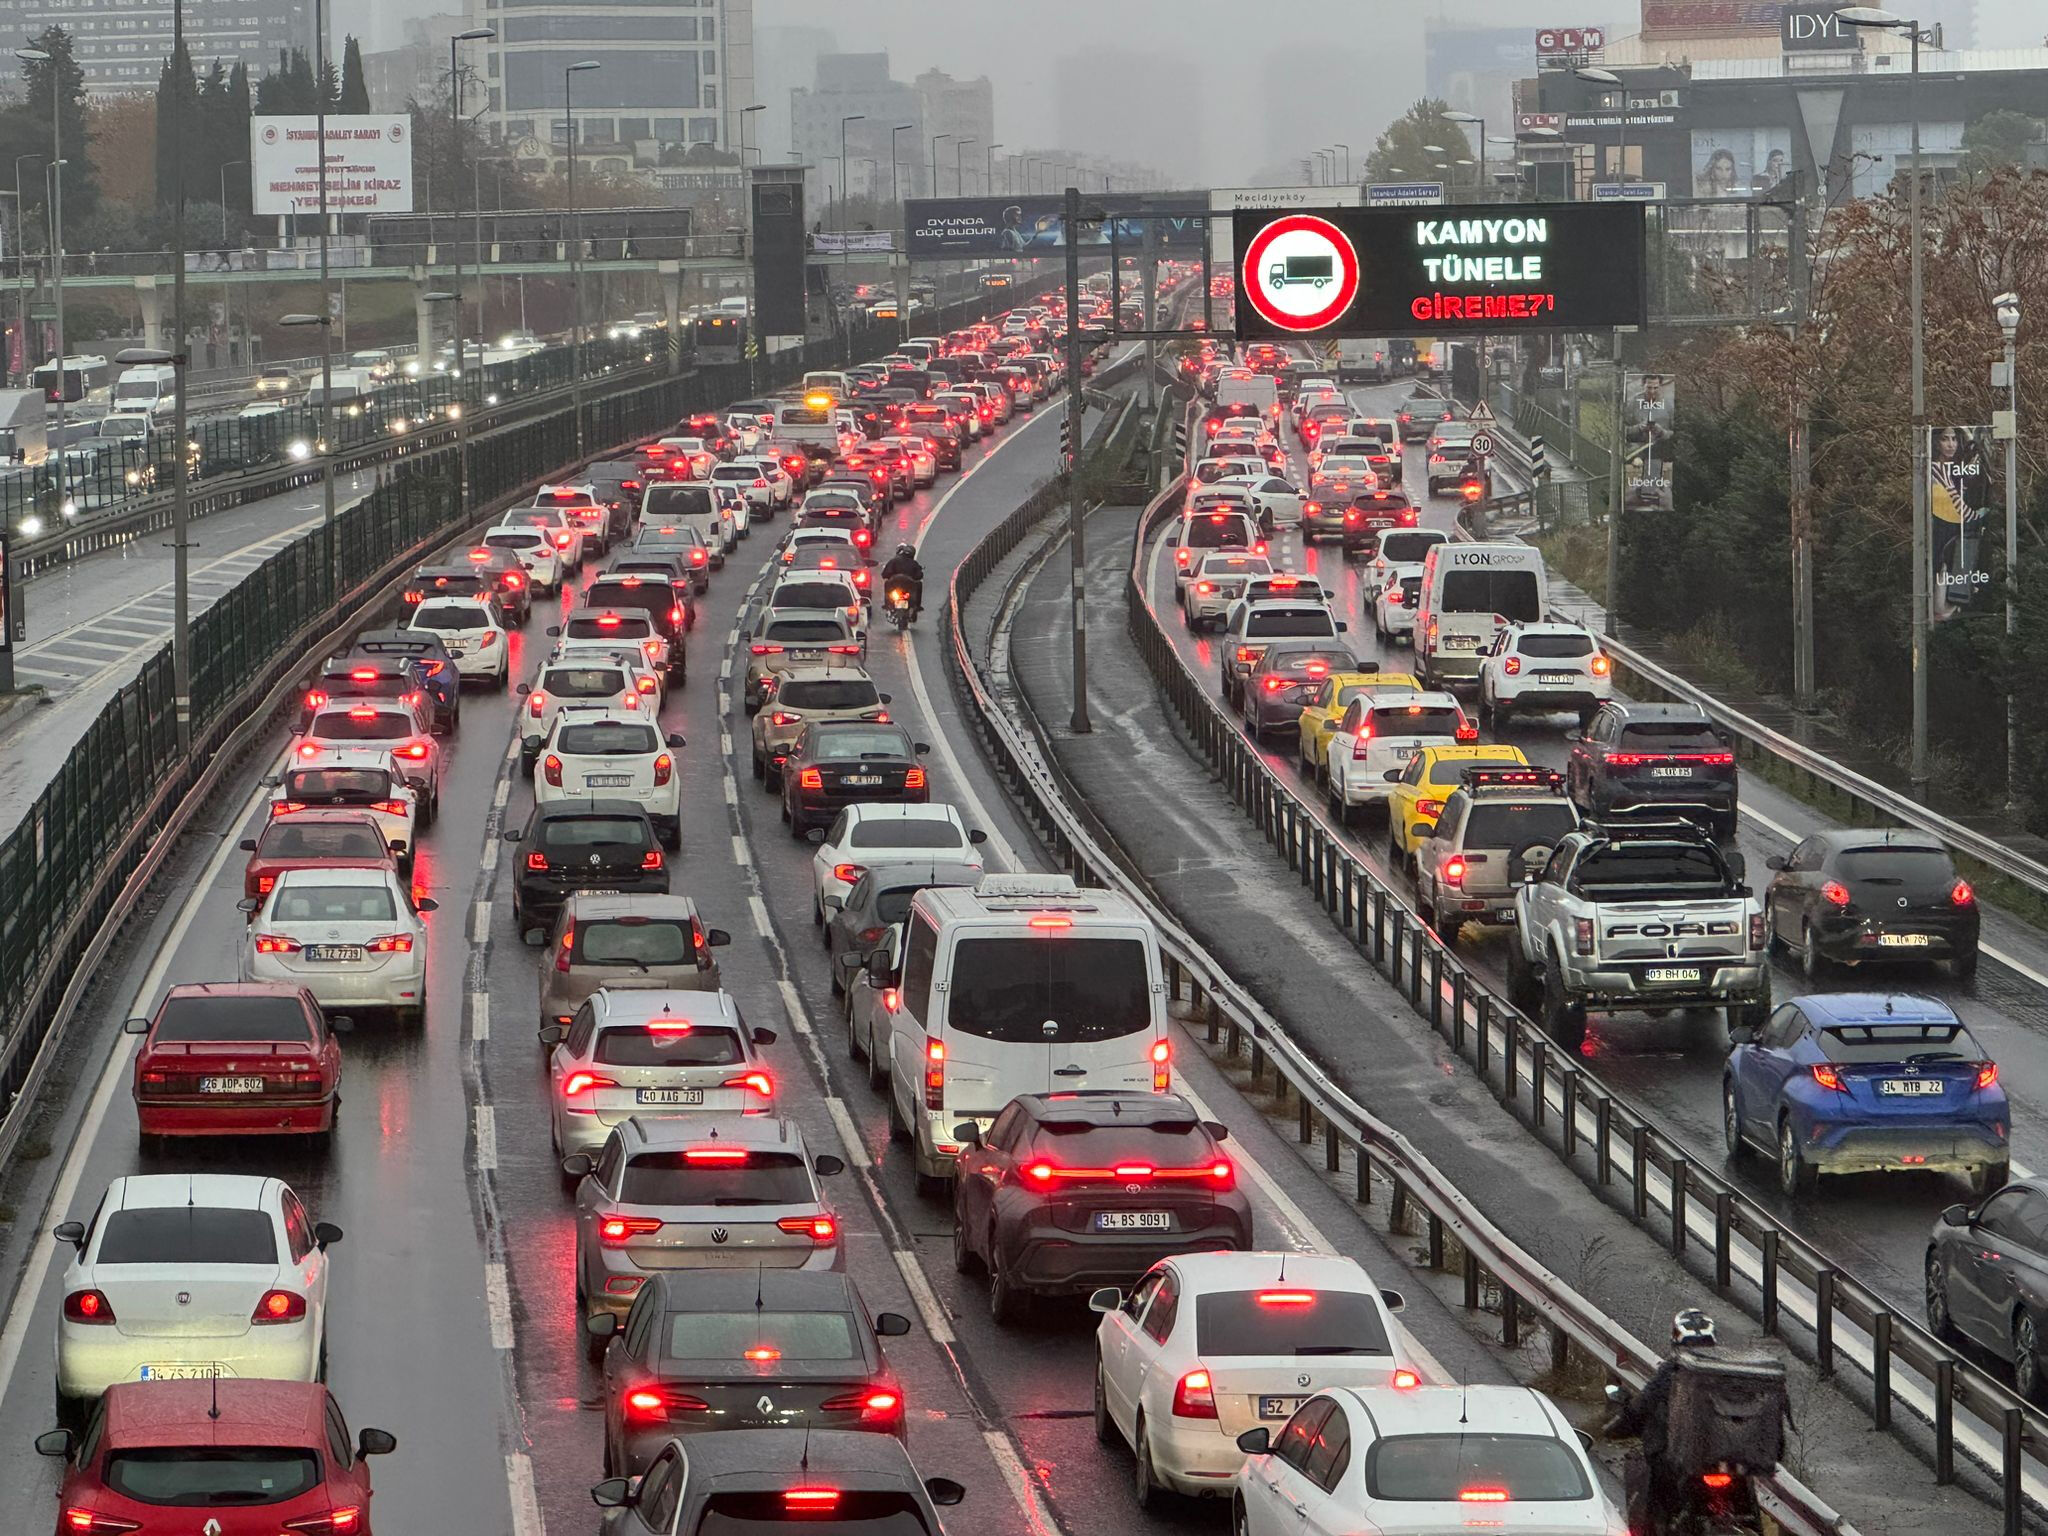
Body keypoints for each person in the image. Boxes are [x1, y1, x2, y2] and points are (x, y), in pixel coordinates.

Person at [1605, 1309, 1719, 1535]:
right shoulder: (1732, 1375)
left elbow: (1642, 1406)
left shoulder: (1671, 1374)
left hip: (1678, 1463)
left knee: (1653, 1499)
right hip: (1725, 1460)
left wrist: (1619, 1424)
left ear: (1676, 1343)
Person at [881, 542, 925, 620]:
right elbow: (919, 576)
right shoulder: (914, 563)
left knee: (887, 583)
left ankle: (887, 603)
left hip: (895, 583)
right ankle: (917, 606)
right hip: (908, 584)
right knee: (919, 584)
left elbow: (885, 573)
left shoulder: (894, 561)